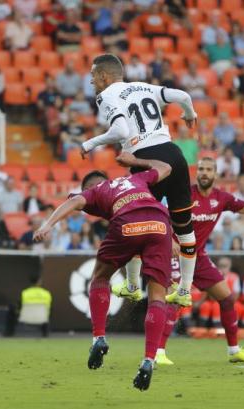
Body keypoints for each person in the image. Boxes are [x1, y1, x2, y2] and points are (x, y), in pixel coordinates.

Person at [115, 157, 244, 365]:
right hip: (174, 253)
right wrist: (167, 239)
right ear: (196, 173)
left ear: (215, 174)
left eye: (208, 169)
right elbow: (158, 213)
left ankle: (234, 350)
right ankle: (159, 352)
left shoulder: (221, 198)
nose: (204, 173)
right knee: (175, 299)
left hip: (198, 256)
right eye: (201, 169)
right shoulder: (184, 194)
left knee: (226, 298)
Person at [34, 153, 173, 391]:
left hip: (128, 223)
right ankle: (149, 359)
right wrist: (134, 162)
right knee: (158, 296)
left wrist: (47, 224)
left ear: (90, 187)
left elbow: (74, 202)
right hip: (160, 223)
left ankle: (98, 338)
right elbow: (166, 166)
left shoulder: (96, 190)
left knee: (100, 277)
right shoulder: (137, 180)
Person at [80, 53, 199, 307]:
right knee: (185, 229)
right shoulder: (144, 86)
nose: (91, 82)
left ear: (103, 76)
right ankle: (186, 290)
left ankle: (133, 286)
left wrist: (90, 142)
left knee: (135, 221)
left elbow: (121, 131)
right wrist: (190, 113)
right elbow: (183, 97)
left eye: (93, 76)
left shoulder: (106, 96)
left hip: (146, 160)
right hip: (174, 156)